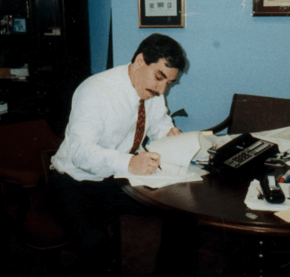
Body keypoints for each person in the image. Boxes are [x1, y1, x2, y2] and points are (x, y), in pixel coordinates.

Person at [49, 33, 187, 274]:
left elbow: (159, 125)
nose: (162, 88)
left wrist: (171, 135)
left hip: (116, 178)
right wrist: (130, 163)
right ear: (140, 61)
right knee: (97, 245)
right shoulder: (95, 91)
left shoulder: (151, 91)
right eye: (159, 77)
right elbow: (81, 153)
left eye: (169, 83)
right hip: (74, 181)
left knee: (181, 215)